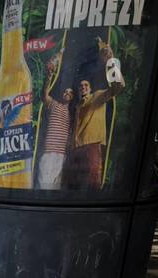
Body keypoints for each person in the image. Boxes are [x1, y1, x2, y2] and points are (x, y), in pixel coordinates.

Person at [62, 41, 124, 190]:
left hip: (90, 149)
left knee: (91, 187)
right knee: (70, 188)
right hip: (74, 152)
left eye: (86, 85)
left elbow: (118, 86)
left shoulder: (97, 97)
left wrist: (110, 61)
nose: (83, 87)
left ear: (90, 88)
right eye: (80, 86)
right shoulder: (76, 106)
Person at [38, 58, 73, 190]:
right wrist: (49, 77)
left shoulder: (73, 112)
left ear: (73, 96)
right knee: (44, 188)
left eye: (70, 93)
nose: (67, 93)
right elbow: (44, 95)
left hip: (62, 155)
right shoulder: (54, 104)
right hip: (49, 152)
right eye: (66, 91)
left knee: (56, 189)